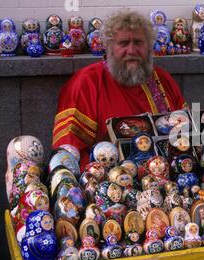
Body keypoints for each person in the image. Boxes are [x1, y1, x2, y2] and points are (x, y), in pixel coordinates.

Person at [52, 9, 186, 170]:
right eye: (123, 43)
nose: (131, 50)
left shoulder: (163, 80)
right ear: (108, 47)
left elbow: (186, 133)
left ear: (149, 46)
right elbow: (69, 153)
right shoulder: (86, 84)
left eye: (138, 42)